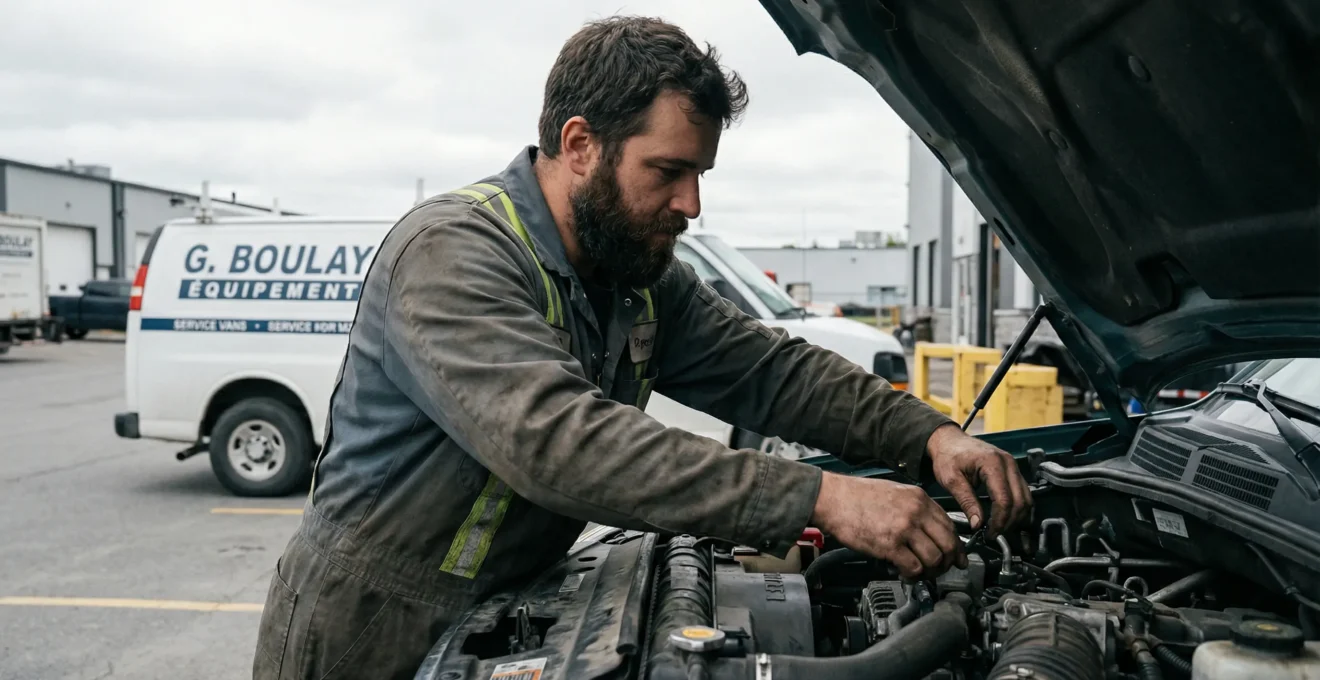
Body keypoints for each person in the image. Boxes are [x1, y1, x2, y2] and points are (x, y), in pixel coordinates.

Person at [252, 15, 1032, 680]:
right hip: (372, 627)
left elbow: (771, 371)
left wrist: (927, 435)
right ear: (580, 144)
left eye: (700, 172)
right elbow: (560, 442)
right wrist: (821, 497)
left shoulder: (635, 275)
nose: (691, 203)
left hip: (519, 610)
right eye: (669, 170)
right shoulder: (452, 252)